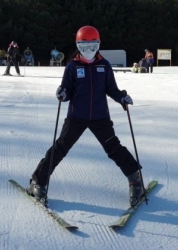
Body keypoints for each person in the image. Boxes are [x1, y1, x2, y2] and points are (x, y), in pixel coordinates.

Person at [26, 25, 144, 208]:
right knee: (60, 148)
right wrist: (62, 94)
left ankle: (136, 181)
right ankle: (38, 181)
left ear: (98, 45)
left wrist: (122, 97)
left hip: (100, 117)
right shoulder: (72, 66)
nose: (88, 51)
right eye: (83, 47)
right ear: (78, 46)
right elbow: (66, 89)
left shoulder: (104, 66)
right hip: (76, 116)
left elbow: (111, 89)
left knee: (114, 148)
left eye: (92, 46)